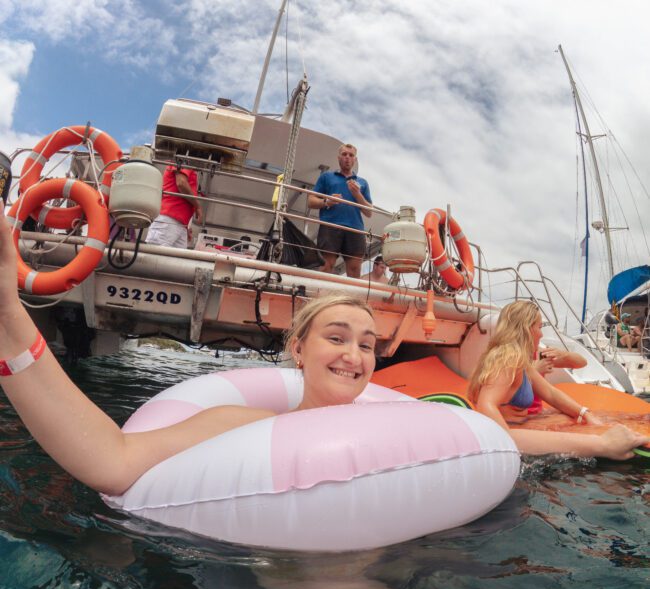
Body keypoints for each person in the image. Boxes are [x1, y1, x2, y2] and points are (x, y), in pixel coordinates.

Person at [0, 205, 376, 494]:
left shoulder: (396, 423)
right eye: (336, 338)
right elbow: (113, 462)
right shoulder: (243, 425)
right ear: (298, 349)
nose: (353, 356)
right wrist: (9, 312)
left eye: (367, 344)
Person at [468, 301, 648, 459]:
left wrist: (586, 414)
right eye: (539, 327)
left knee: (603, 418)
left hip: (523, 424)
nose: (541, 334)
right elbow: (486, 405)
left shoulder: (519, 360)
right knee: (592, 426)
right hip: (511, 432)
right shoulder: (508, 358)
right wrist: (506, 442)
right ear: (526, 328)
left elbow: (551, 394)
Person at [307, 144, 373, 278]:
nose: (347, 157)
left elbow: (369, 212)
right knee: (326, 266)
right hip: (331, 226)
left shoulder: (363, 183)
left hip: (355, 229)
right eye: (344, 154)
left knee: (355, 270)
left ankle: (351, 299)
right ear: (338, 158)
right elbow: (311, 201)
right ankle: (323, 297)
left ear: (355, 160)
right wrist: (326, 201)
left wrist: (357, 195)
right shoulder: (326, 177)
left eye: (351, 155)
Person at [145, 165, 203, 249]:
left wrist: (186, 226)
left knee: (176, 260)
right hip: (168, 220)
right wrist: (198, 206)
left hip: (179, 224)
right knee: (156, 258)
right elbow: (181, 183)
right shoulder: (185, 157)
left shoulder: (188, 162)